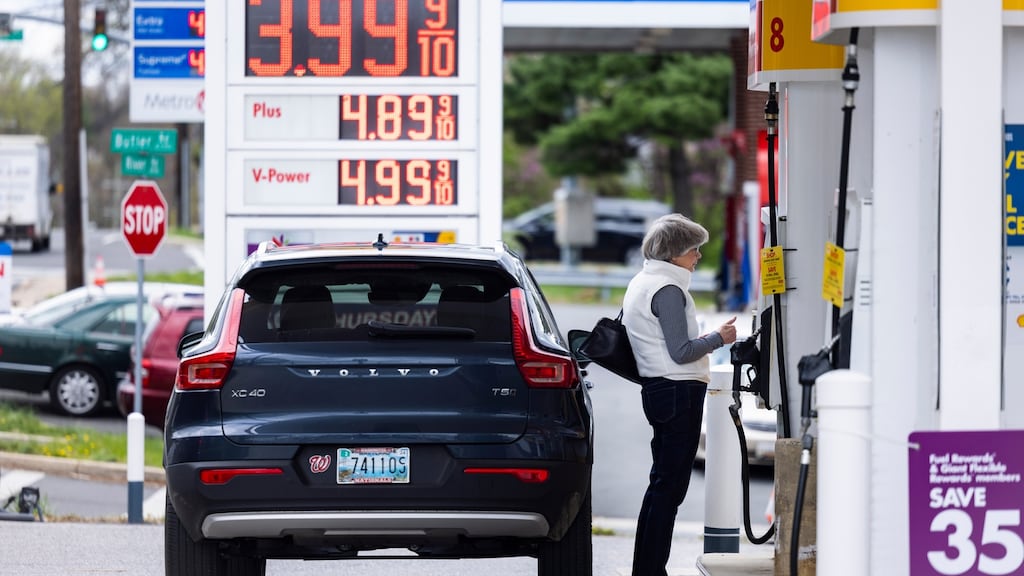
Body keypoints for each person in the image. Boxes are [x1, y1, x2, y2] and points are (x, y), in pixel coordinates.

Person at [621, 213, 737, 576]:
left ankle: (648, 568)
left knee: (662, 486)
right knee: (669, 489)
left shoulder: (644, 281)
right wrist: (720, 337)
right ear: (674, 253)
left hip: (660, 390)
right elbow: (682, 351)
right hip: (677, 390)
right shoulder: (668, 290)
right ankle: (650, 570)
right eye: (693, 249)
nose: (698, 256)